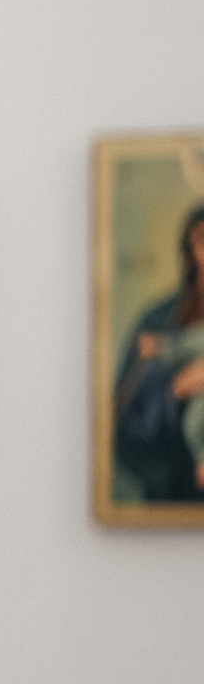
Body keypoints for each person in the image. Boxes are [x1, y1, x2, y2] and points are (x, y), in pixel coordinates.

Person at [115, 204, 204, 504]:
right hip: (175, 494)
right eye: (203, 239)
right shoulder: (160, 321)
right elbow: (126, 422)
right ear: (190, 249)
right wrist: (176, 388)